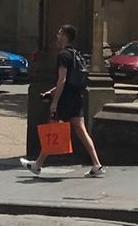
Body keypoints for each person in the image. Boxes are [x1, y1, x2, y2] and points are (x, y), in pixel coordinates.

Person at [20, 25, 104, 178]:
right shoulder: (75, 54)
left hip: (65, 99)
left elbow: (62, 80)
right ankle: (96, 164)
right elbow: (69, 80)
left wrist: (54, 102)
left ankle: (38, 164)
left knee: (52, 128)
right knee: (81, 131)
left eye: (59, 33)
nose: (57, 36)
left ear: (65, 36)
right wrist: (51, 92)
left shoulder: (63, 55)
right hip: (77, 97)